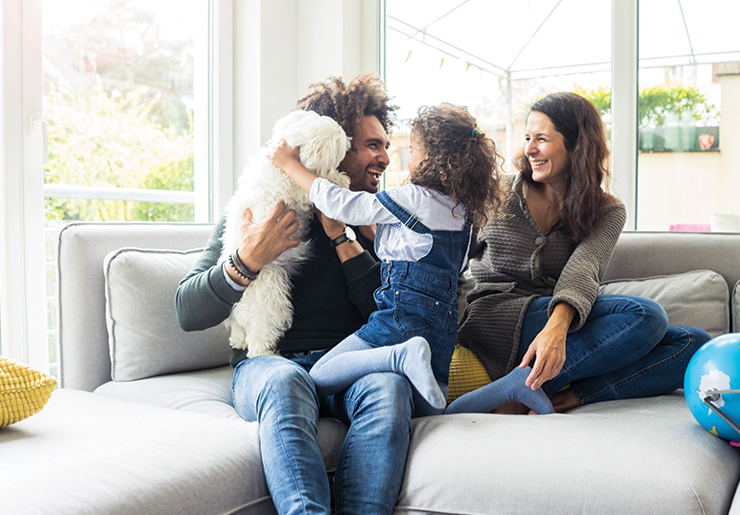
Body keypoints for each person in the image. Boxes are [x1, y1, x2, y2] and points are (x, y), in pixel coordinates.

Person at [176, 73, 411, 515]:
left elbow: (390, 313)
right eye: (373, 145)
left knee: (390, 386)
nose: (384, 156)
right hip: (271, 365)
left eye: (385, 144)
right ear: (335, 147)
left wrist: (345, 240)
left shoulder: (381, 222)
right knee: (286, 381)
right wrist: (247, 260)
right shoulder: (259, 207)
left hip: (350, 364)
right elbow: (186, 310)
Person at [447, 91, 710, 415]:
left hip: (561, 326)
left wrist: (556, 331)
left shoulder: (606, 209)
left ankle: (570, 394)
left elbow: (584, 268)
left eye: (541, 139)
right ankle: (524, 387)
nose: (529, 149)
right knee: (647, 316)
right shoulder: (497, 192)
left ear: (576, 145)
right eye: (528, 137)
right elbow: (452, 257)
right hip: (494, 319)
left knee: (693, 343)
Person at [270, 103, 502, 414]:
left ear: (430, 158)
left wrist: (290, 165)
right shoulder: (463, 214)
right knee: (434, 412)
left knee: (320, 376)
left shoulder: (412, 197)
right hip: (441, 331)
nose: (406, 157)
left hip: (400, 322)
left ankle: (399, 357)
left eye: (414, 149)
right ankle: (512, 386)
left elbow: (343, 204)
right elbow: (439, 259)